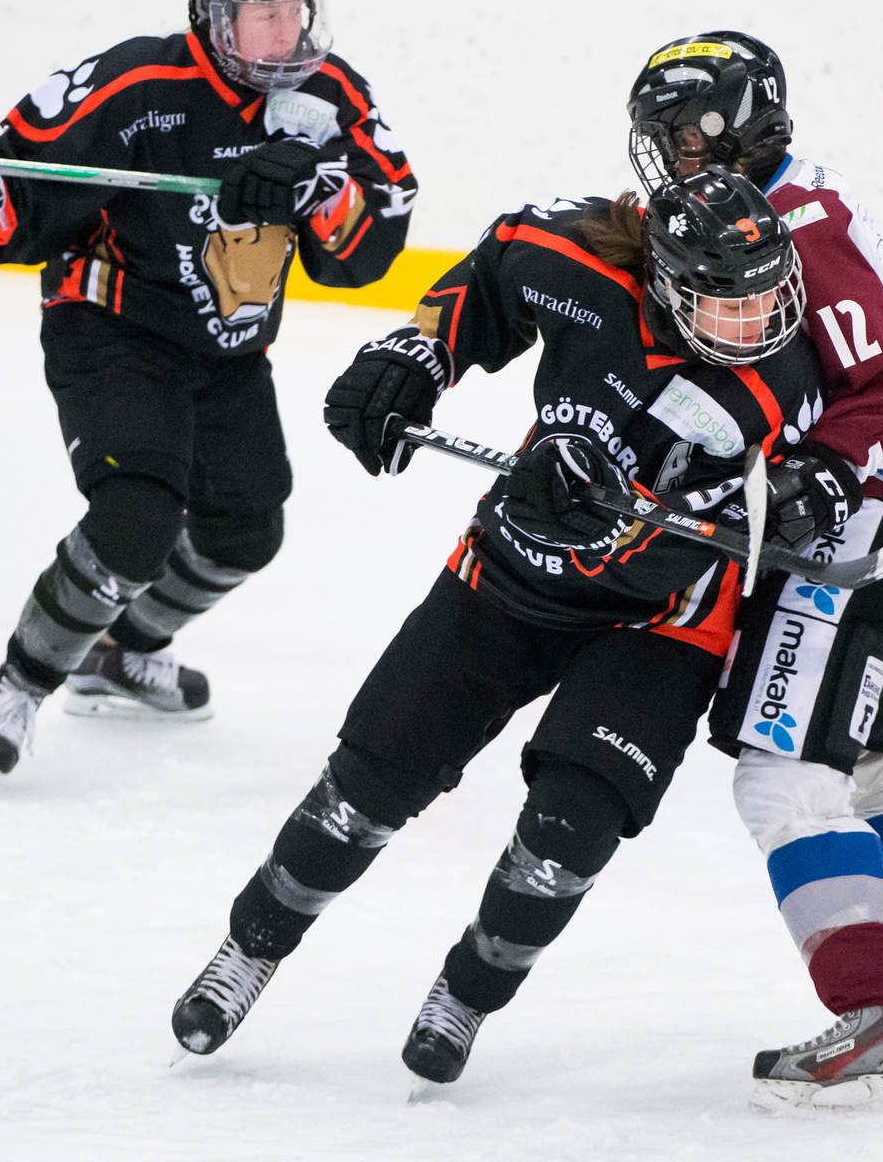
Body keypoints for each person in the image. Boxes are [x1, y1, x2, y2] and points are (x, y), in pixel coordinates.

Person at [170, 168, 826, 1088]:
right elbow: (486, 276)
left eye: (767, 298)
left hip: (660, 619)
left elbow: (718, 536)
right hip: (507, 574)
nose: (759, 324)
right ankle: (249, 950)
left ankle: (467, 995)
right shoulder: (568, 259)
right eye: (731, 304)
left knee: (572, 830)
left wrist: (622, 524)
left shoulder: (779, 383)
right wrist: (415, 357)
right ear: (669, 283)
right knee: (368, 782)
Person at [0, 0, 416, 777]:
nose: (287, 30)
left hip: (229, 346)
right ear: (211, 14)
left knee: (246, 530)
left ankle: (121, 654)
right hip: (114, 326)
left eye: (297, 8)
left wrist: (316, 192)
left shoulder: (330, 98)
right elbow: (17, 208)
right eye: (264, 11)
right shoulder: (135, 85)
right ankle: (18, 688)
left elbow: (373, 246)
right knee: (136, 517)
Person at [627, 31, 883, 1110]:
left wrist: (826, 476)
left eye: (680, 132)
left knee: (783, 775)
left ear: (734, 128)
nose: (667, 151)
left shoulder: (797, 223)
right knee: (874, 757)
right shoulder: (787, 197)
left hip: (870, 542)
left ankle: (874, 1008)